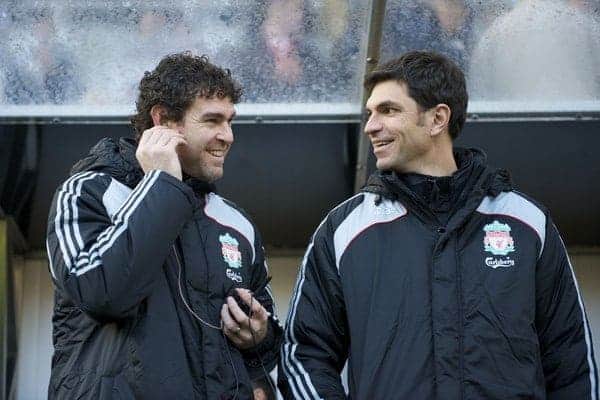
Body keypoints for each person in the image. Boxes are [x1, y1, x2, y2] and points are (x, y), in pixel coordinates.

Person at [278, 50, 598, 399]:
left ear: (437, 119)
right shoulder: (344, 229)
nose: (370, 126)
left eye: (388, 110)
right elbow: (304, 356)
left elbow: (571, 362)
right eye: (370, 113)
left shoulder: (526, 223)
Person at [46, 52, 282, 399]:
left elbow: (267, 357)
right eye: (213, 120)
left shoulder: (236, 224)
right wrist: (162, 185)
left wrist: (260, 336)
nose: (228, 136)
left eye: (230, 121)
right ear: (164, 121)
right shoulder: (89, 191)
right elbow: (99, 292)